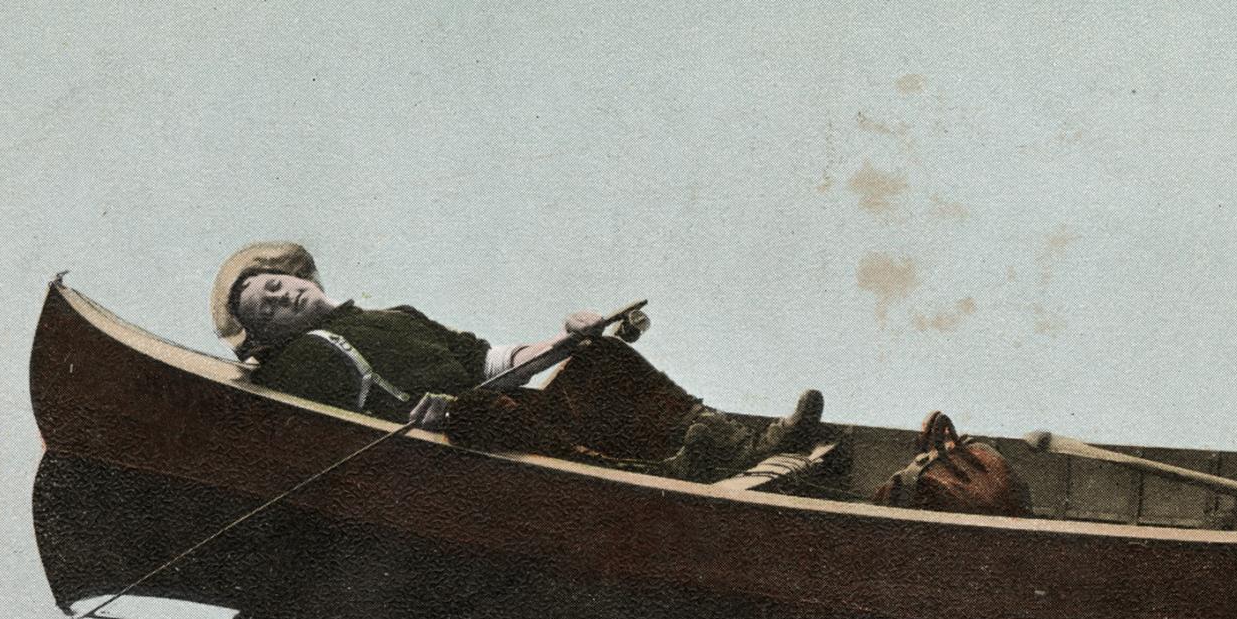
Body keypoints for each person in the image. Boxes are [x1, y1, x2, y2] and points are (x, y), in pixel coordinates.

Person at [210, 242, 825, 481]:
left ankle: (741, 443)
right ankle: (661, 478)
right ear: (268, 336)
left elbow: (490, 358)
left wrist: (569, 339)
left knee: (600, 359)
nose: (283, 295)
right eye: (267, 307)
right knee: (487, 412)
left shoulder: (396, 316)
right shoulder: (298, 365)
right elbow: (325, 434)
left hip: (504, 410)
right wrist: (415, 420)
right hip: (452, 448)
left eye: (277, 283)